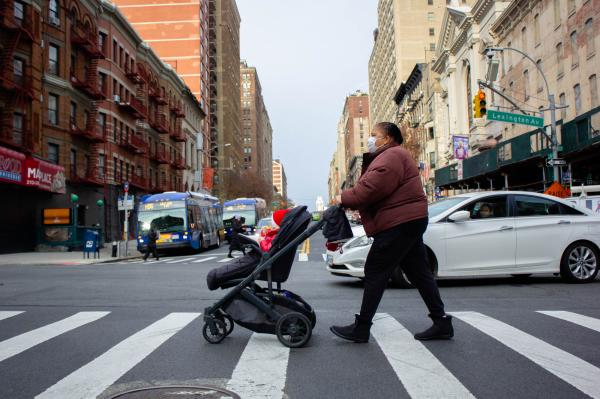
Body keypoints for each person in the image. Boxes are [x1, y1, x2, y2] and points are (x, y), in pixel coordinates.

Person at [330, 122, 453, 343]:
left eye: (373, 135)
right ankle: (441, 322)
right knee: (419, 273)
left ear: (386, 139)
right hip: (408, 221)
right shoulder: (393, 156)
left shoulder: (391, 157)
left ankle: (362, 327)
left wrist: (343, 198)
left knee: (375, 271)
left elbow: (369, 189)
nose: (370, 139)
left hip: (399, 223)